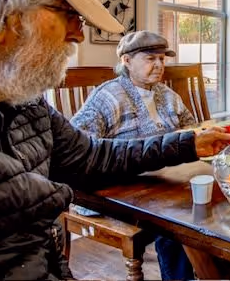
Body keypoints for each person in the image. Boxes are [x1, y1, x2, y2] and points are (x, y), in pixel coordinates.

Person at [0, 0, 230, 280]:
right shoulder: (107, 96)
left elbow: (94, 158)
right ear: (1, 14)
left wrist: (187, 144)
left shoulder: (29, 107)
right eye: (68, 13)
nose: (79, 33)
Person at [71, 30, 201, 281]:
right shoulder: (108, 96)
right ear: (126, 61)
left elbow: (191, 129)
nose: (159, 65)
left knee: (200, 203)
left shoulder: (167, 95)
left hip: (161, 183)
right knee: (177, 221)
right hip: (119, 190)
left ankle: (209, 269)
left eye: (163, 59)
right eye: (151, 58)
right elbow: (79, 147)